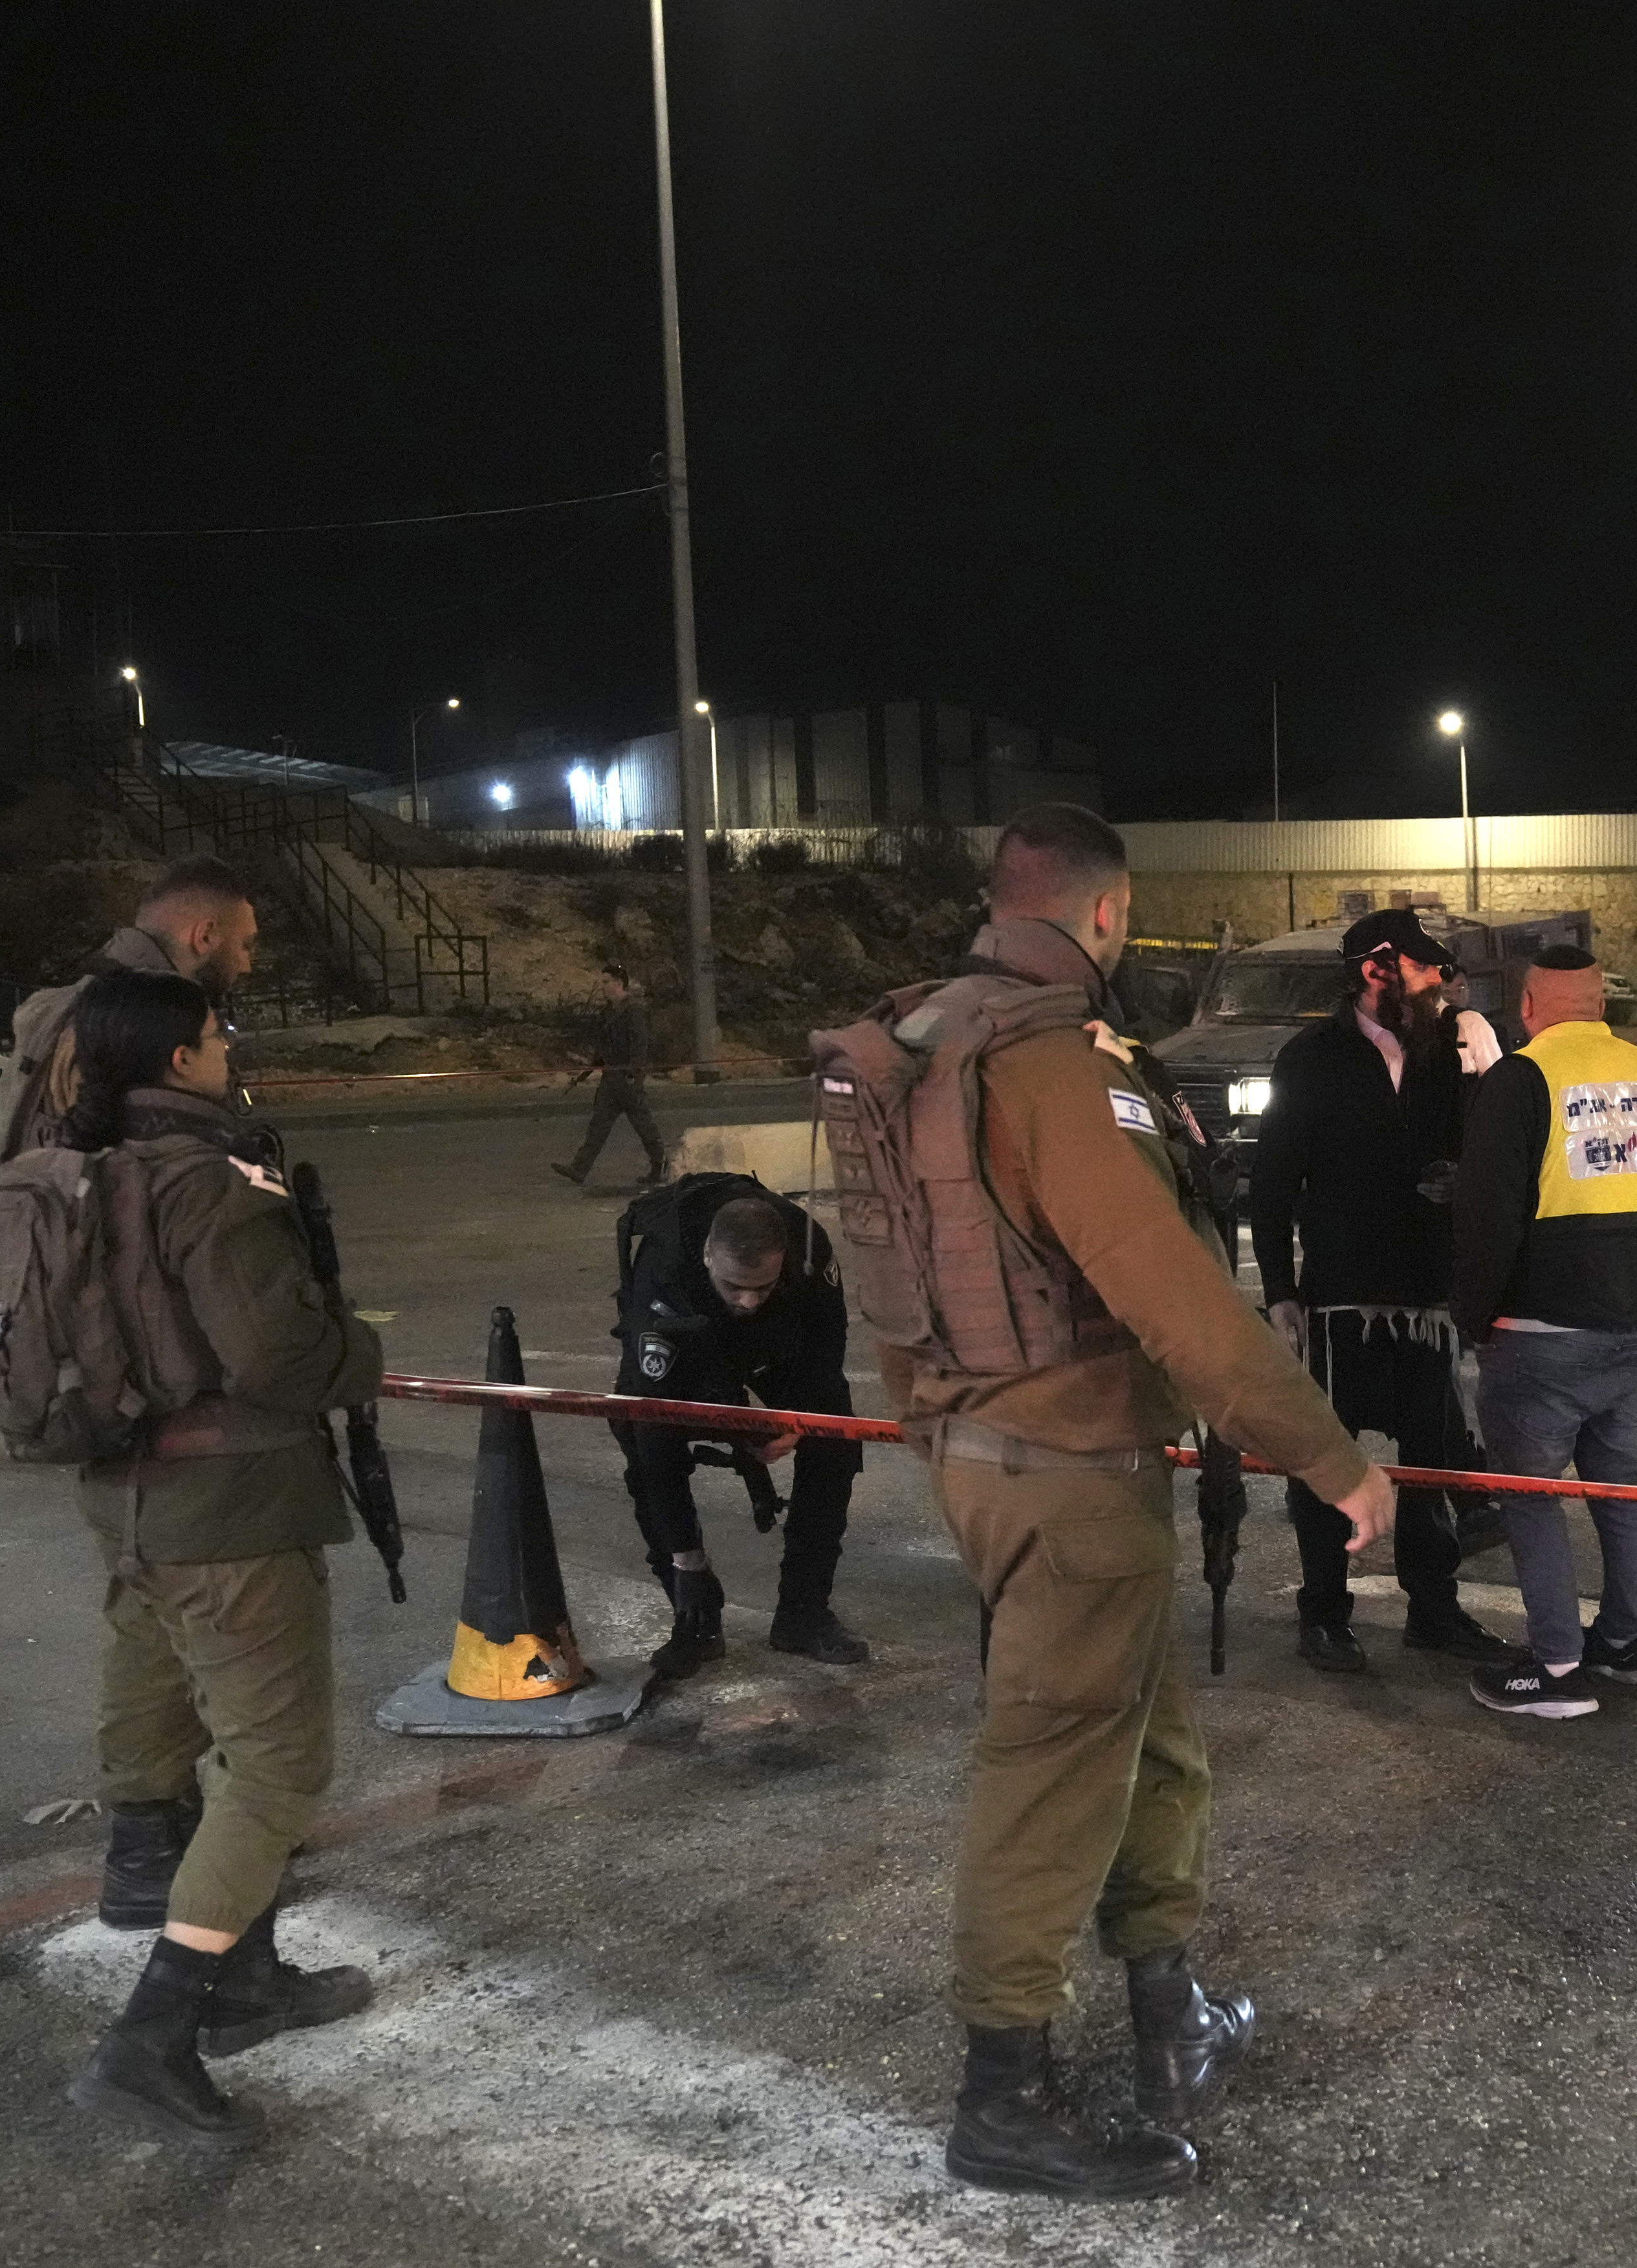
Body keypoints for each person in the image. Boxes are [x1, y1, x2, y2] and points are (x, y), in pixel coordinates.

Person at [822, 803, 1393, 2203]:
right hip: (1069, 1472)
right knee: (1053, 1770)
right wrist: (1330, 1456)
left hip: (984, 1454)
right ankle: (1001, 2095)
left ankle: (1167, 2008)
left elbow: (904, 1280)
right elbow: (1176, 1297)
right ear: (1106, 915)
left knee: (1151, 1742)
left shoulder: (915, 1042)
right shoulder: (1051, 1065)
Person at [56, 969, 382, 2151]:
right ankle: (153, 2038)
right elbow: (278, 1356)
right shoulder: (210, 1186)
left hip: (126, 1501)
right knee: (276, 1768)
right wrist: (362, 1349)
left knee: (168, 1717)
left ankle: (245, 1979)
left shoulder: (78, 1175)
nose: (225, 1050)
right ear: (182, 1059)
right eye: (215, 1035)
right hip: (231, 1513)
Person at [1244, 906, 1505, 1672]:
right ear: (1376, 971)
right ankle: (1324, 1612)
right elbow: (1272, 1182)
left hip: (1428, 1299)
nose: (1440, 983)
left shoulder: (1449, 1050)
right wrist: (1280, 1289)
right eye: (1426, 970)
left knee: (1429, 1465)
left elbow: (1490, 1161)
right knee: (1326, 1462)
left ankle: (1435, 1609)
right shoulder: (1310, 1057)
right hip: (1338, 1299)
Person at [1450, 945, 1637, 1717]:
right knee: (1621, 1487)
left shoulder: (1520, 1080)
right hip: (1632, 1331)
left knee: (1529, 1495)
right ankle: (1625, 1644)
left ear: (1527, 1004)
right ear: (1601, 1001)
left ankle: (1555, 1667)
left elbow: (1486, 1217)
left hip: (1540, 1330)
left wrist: (1474, 1323)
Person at [607, 1174, 870, 1675]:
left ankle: (803, 1613)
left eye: (761, 1286)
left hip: (778, 1341)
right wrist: (687, 1560)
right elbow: (654, 1419)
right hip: (688, 1337)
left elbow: (824, 1357)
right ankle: (695, 1615)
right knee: (639, 1436)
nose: (748, 1300)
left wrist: (800, 1423)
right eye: (735, 1286)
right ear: (708, 1254)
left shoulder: (811, 1250)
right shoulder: (664, 1266)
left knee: (838, 1440)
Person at [1, 856, 261, 1158]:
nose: (247, 965)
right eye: (245, 945)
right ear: (205, 936)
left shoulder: (84, 1003)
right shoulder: (127, 1024)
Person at [554, 963, 669, 1190]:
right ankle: (580, 1168)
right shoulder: (612, 1011)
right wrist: (590, 1070)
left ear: (619, 983)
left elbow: (640, 1044)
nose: (603, 986)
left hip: (625, 1078)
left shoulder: (633, 1011)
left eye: (606, 982)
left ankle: (659, 1166)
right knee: (599, 1124)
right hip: (612, 1077)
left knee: (643, 1125)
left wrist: (634, 1075)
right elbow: (607, 1046)